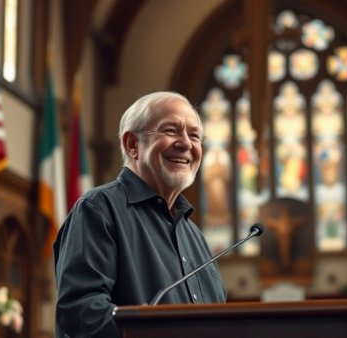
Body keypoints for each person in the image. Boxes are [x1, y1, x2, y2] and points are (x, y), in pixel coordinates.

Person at [53, 91, 227, 337]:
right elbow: (81, 312)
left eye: (195, 135)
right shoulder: (98, 209)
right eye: (170, 130)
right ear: (132, 145)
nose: (186, 143)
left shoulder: (195, 236)